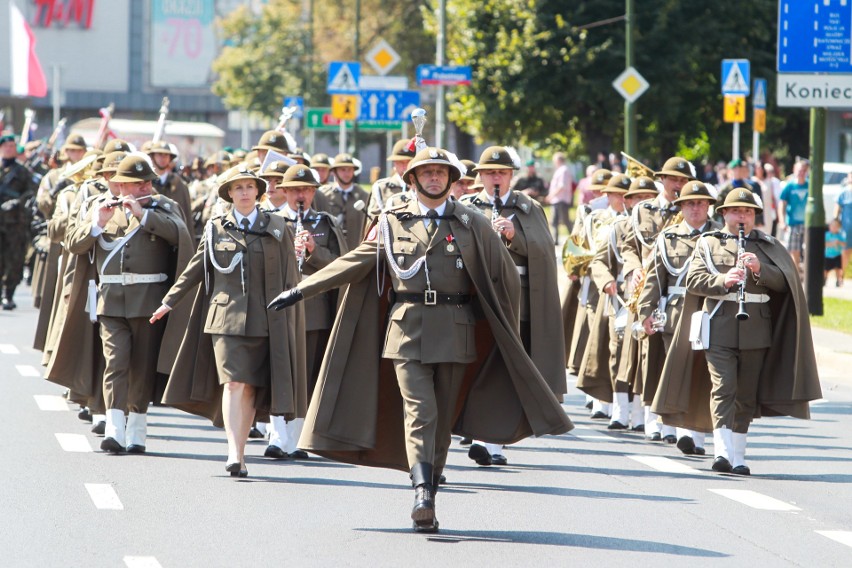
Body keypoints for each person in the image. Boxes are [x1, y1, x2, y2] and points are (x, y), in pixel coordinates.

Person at [267, 147, 572, 533]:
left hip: (456, 329)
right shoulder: (394, 221)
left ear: (450, 180)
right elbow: (358, 260)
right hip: (407, 329)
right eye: (425, 173)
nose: (433, 179)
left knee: (442, 419)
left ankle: (431, 483)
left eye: (440, 174)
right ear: (412, 179)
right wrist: (302, 290)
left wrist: (497, 324)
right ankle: (422, 490)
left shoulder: (472, 222)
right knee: (420, 411)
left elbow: (505, 276)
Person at [150, 165, 306, 478]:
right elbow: (196, 268)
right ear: (229, 194)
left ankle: (242, 447)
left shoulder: (277, 226)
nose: (245, 192)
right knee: (234, 382)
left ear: (258, 192)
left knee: (249, 386)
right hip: (225, 319)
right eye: (238, 188)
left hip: (266, 318)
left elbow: (291, 275)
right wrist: (169, 301)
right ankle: (235, 453)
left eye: (250, 186)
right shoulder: (216, 228)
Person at [678, 188, 822, 475]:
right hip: (718, 326)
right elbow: (693, 280)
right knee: (723, 387)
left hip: (757, 328)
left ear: (755, 215)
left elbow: (786, 283)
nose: (742, 216)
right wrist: (723, 279)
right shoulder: (709, 243)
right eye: (736, 211)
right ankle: (721, 452)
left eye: (747, 212)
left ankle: (739, 456)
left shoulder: (767, 245)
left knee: (745, 394)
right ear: (723, 214)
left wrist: (759, 270)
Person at [67, 154, 193, 454]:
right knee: (115, 362)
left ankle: (137, 428)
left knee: (143, 366)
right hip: (111, 301)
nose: (146, 187)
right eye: (138, 184)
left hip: (149, 300)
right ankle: (114, 428)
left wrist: (143, 215)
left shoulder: (163, 207)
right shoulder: (100, 208)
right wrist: (97, 225)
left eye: (147, 182)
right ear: (121, 185)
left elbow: (181, 235)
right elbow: (74, 243)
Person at [460, 146, 566, 466]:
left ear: (511, 176)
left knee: (506, 369)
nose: (496, 178)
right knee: (479, 365)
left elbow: (545, 250)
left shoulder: (528, 207)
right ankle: (479, 433)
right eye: (490, 173)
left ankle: (493, 442)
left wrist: (514, 235)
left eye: (502, 173)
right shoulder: (465, 206)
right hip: (477, 295)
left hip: (516, 297)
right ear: (479, 176)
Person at [262, 164, 347, 460]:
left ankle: (297, 438)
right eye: (295, 190)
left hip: (312, 311)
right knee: (276, 372)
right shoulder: (269, 221)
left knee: (306, 375)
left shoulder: (326, 223)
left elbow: (342, 265)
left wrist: (314, 251)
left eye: (307, 190)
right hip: (276, 308)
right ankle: (276, 435)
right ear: (283, 192)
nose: (301, 195)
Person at [638, 180, 720, 455]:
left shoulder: (721, 237)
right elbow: (654, 279)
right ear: (681, 207)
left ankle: (696, 434)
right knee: (676, 372)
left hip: (710, 314)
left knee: (704, 377)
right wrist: (645, 312)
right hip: (676, 313)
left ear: (709, 205)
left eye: (700, 202)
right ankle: (676, 428)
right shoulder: (669, 237)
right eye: (689, 203)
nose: (695, 208)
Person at [619, 156, 695, 443]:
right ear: (662, 180)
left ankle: (673, 421)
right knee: (649, 357)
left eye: (684, 181)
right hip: (647, 286)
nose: (679, 185)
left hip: (677, 290)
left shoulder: (690, 210)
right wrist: (633, 269)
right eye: (674, 179)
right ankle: (651, 416)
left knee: (676, 357)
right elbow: (629, 246)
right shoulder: (643, 210)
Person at [0, 134, 37, 310]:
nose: (9, 148)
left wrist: (17, 203)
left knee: (14, 260)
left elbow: (31, 193)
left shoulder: (22, 171)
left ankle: (9, 294)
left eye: (12, 146)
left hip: (14, 223)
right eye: (6, 146)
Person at [318, 153, 369, 251]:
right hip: (329, 251)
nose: (347, 173)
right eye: (342, 170)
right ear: (334, 172)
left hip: (355, 250)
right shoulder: (323, 194)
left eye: (350, 169)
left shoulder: (364, 196)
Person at [148, 140, 193, 228]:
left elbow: (187, 217)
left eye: (166, 155)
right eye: (159, 154)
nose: (163, 158)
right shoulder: (145, 184)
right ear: (153, 157)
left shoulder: (180, 185)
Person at [366, 139, 415, 217]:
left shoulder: (425, 187)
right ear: (394, 163)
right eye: (401, 162)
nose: (405, 166)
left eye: (409, 162)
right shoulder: (381, 188)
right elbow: (373, 221)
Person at [778, 160, 809, 267]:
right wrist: (782, 221)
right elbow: (782, 204)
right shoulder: (789, 186)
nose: (801, 173)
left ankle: (806, 272)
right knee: (793, 250)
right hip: (793, 223)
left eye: (804, 170)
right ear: (794, 170)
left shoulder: (809, 185)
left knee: (807, 249)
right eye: (799, 170)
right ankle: (795, 272)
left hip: (807, 224)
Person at [546, 152, 575, 240]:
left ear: (558, 160)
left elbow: (561, 186)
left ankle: (574, 238)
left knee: (565, 220)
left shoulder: (563, 170)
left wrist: (551, 195)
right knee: (555, 221)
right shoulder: (561, 170)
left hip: (561, 199)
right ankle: (555, 239)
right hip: (557, 199)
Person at [834, 173, 852, 274]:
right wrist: (836, 221)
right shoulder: (843, 192)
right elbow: (837, 208)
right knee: (845, 251)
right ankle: (842, 275)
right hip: (846, 227)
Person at [825, 218, 845, 286]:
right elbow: (824, 243)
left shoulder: (840, 236)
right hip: (827, 256)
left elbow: (844, 244)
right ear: (829, 226)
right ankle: (824, 279)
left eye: (836, 226)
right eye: (832, 226)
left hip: (837, 255)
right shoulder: (827, 235)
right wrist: (832, 244)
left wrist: (839, 242)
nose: (834, 227)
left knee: (838, 269)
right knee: (825, 269)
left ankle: (839, 280)